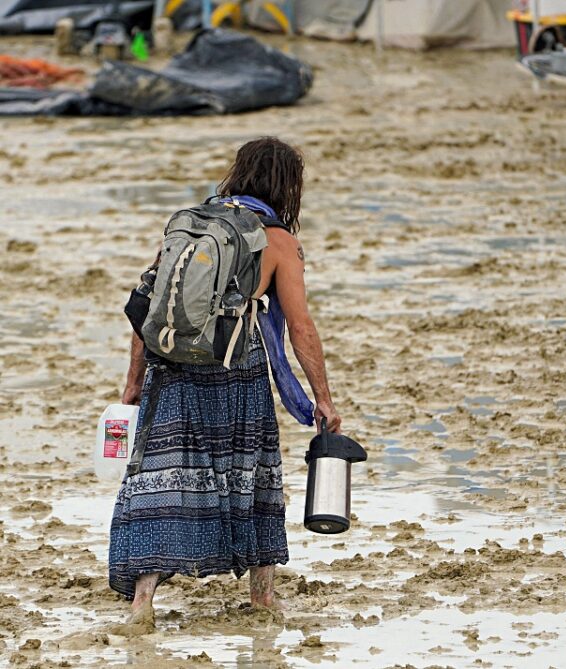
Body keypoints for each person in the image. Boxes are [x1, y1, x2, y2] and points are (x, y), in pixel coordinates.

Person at [108, 137, 341, 634]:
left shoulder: (189, 223)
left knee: (164, 477)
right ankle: (262, 597)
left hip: (169, 368)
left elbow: (147, 307)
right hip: (238, 369)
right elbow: (300, 327)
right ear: (287, 186)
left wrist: (132, 383)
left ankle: (142, 604)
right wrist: (322, 398)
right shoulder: (277, 242)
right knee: (251, 474)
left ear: (239, 172)